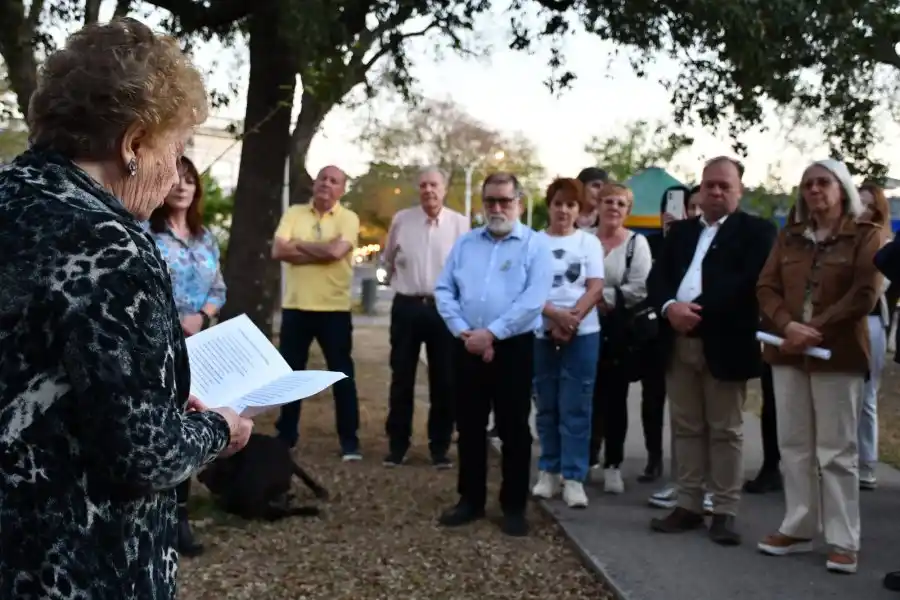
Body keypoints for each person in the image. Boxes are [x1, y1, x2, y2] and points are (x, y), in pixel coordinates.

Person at [0, 18, 252, 600]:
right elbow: (142, 454)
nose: (174, 174)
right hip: (73, 561)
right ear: (134, 144)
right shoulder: (112, 246)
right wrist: (220, 427)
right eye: (178, 147)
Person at [755, 159, 881, 574]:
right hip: (787, 350)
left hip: (837, 353)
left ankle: (844, 540)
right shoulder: (789, 235)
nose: (813, 190)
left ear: (840, 188)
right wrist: (788, 326)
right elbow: (766, 285)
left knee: (836, 450)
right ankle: (798, 526)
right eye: (807, 183)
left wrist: (815, 329)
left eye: (822, 182)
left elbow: (865, 292)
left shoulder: (866, 234)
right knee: (793, 445)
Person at [648, 156, 776, 546]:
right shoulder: (681, 233)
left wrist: (695, 312)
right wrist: (671, 307)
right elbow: (659, 278)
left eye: (724, 186)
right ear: (698, 190)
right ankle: (688, 504)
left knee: (725, 431)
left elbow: (746, 283)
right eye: (709, 185)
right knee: (685, 427)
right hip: (678, 342)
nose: (716, 192)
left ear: (739, 191)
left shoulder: (757, 232)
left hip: (725, 344)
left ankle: (723, 510)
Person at [434, 172, 553, 537]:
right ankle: (469, 500)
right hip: (467, 343)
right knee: (469, 426)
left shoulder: (535, 246)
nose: (497, 208)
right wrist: (463, 331)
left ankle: (513, 506)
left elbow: (533, 301)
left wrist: (493, 334)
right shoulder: (466, 244)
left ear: (519, 201)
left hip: (513, 347)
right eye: (490, 202)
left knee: (514, 428)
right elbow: (444, 290)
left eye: (504, 200)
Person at [147, 155, 228, 557]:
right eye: (175, 179)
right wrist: (176, 318)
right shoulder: (147, 233)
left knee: (193, 418)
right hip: (159, 344)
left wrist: (202, 316)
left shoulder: (205, 236)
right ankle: (166, 521)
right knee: (166, 425)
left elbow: (219, 288)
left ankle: (182, 516)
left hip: (200, 344)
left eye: (190, 180)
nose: (182, 186)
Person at [272, 165, 362, 461]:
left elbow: (337, 253)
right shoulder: (294, 213)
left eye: (334, 180)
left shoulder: (349, 218)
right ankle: (286, 435)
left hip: (334, 309)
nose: (326, 184)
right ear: (315, 183)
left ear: (342, 189)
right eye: (323, 178)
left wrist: (297, 245)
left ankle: (349, 441)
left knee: (341, 376)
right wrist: (321, 250)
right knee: (289, 375)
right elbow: (278, 251)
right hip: (296, 306)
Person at [382, 166, 469, 468]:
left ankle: (439, 446)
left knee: (445, 379)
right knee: (401, 377)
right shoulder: (402, 220)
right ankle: (397, 445)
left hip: (444, 309)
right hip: (407, 306)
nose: (428, 190)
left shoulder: (460, 225)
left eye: (434, 185)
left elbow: (466, 270)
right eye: (423, 185)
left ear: (444, 189)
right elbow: (388, 259)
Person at [531, 178, 605, 508]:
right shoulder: (533, 243)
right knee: (547, 404)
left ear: (579, 210)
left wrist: (571, 319)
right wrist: (554, 317)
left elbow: (595, 287)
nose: (564, 210)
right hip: (541, 332)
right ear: (549, 205)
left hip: (583, 333)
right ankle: (549, 470)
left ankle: (574, 478)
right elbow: (527, 289)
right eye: (558, 203)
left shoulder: (589, 244)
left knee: (577, 405)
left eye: (571, 205)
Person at [588, 182, 653, 494]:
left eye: (621, 204)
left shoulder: (636, 244)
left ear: (628, 210)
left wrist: (604, 297)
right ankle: (585, 458)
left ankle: (613, 464)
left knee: (615, 400)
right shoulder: (583, 240)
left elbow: (640, 286)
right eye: (608, 201)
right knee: (585, 397)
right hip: (582, 326)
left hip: (618, 331)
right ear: (598, 205)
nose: (614, 207)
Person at [856, 183, 891, 491]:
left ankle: (867, 463)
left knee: (866, 395)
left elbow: (876, 288)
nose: (861, 210)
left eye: (867, 205)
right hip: (847, 322)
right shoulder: (845, 238)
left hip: (871, 322)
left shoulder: (883, 241)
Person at [575, 167, 609, 233]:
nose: (601, 191)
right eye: (596, 186)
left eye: (604, 188)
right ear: (580, 187)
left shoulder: (606, 221)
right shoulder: (565, 215)